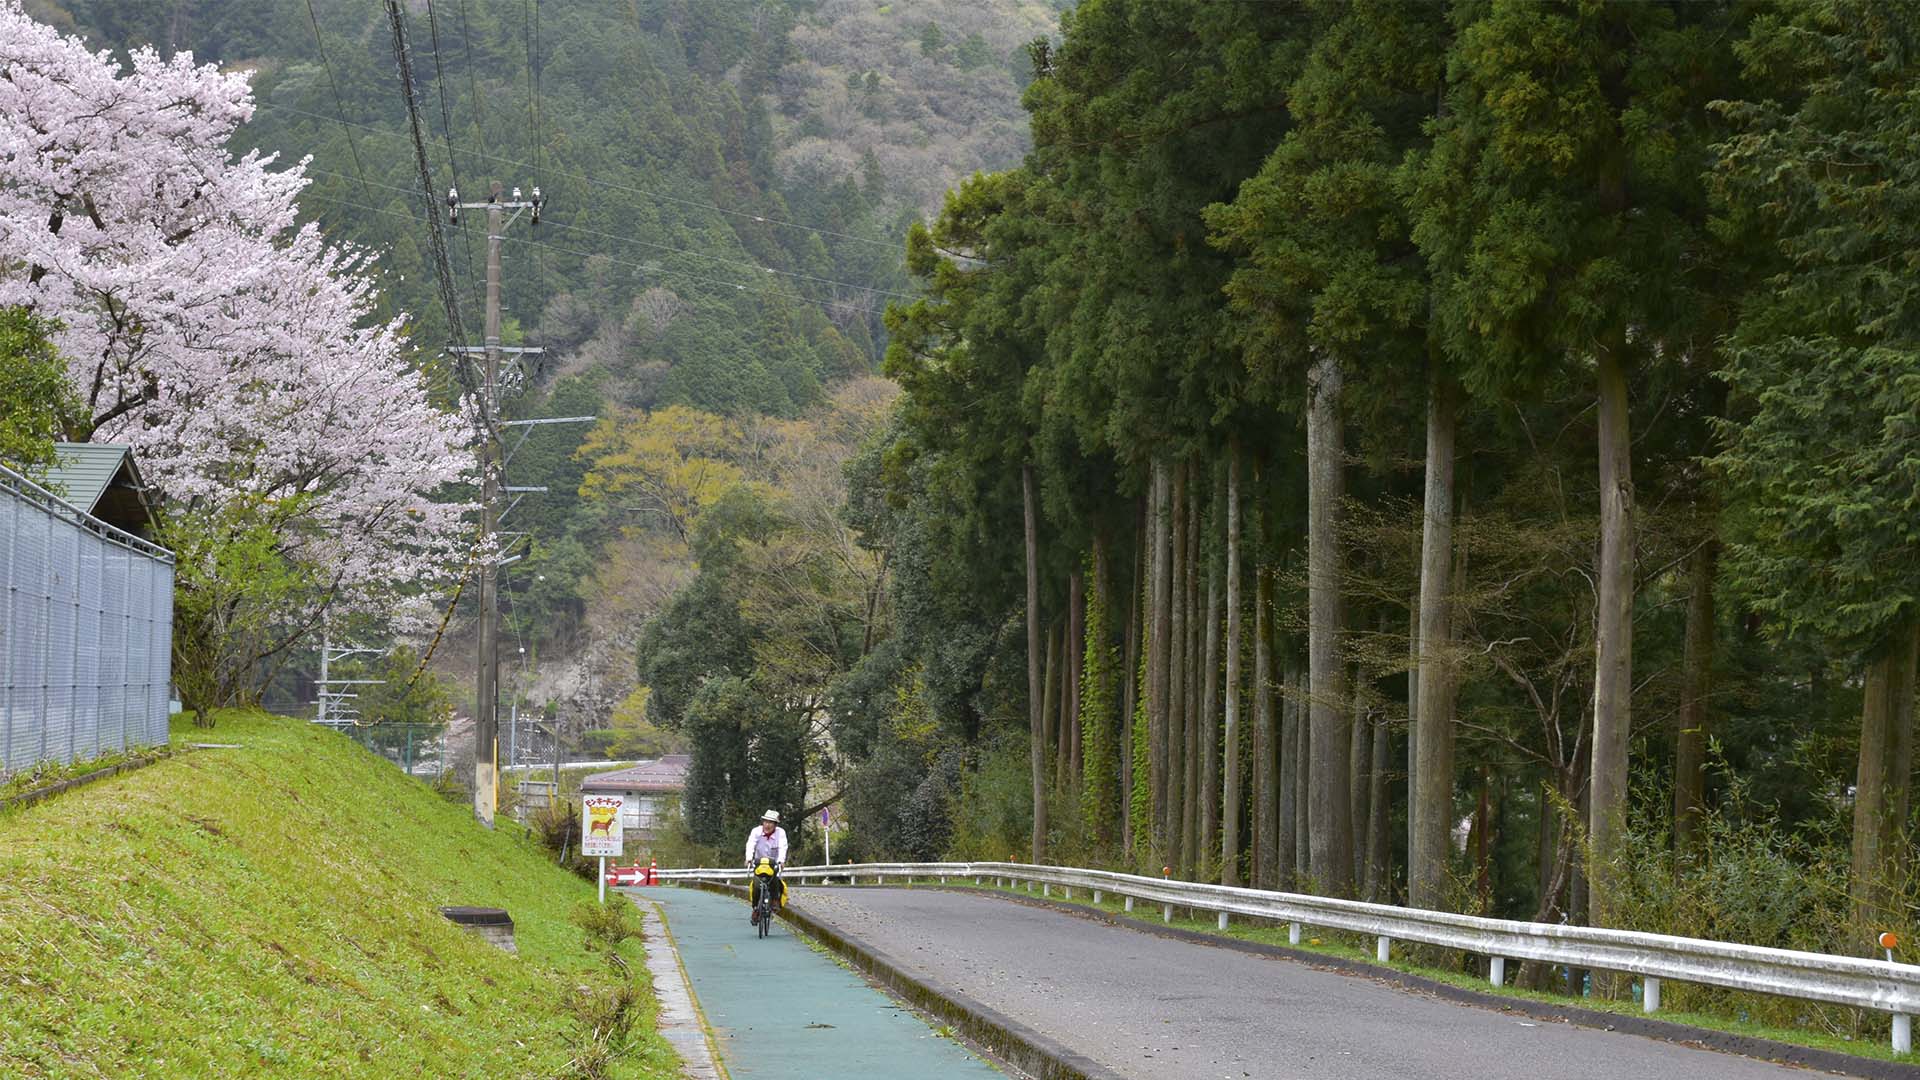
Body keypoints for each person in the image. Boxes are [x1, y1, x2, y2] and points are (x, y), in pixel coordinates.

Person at [744, 809, 787, 925]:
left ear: (775, 824)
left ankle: (774, 900)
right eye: (766, 822)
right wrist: (749, 858)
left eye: (771, 822)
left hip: (773, 864)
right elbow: (750, 844)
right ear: (762, 822)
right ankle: (755, 909)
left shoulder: (781, 833)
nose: (767, 825)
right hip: (759, 864)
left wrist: (781, 861)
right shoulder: (756, 831)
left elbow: (783, 847)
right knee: (756, 885)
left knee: (775, 881)